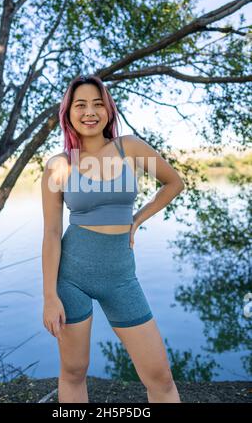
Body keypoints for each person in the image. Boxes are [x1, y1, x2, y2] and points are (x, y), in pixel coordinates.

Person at [41, 74, 184, 403]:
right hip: (71, 278)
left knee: (159, 376)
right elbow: (50, 233)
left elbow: (173, 183)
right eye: (80, 105)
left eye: (97, 104)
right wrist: (50, 295)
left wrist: (137, 219)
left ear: (108, 110)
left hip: (121, 277)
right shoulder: (58, 166)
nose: (89, 111)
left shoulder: (129, 149)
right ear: (69, 113)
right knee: (74, 371)